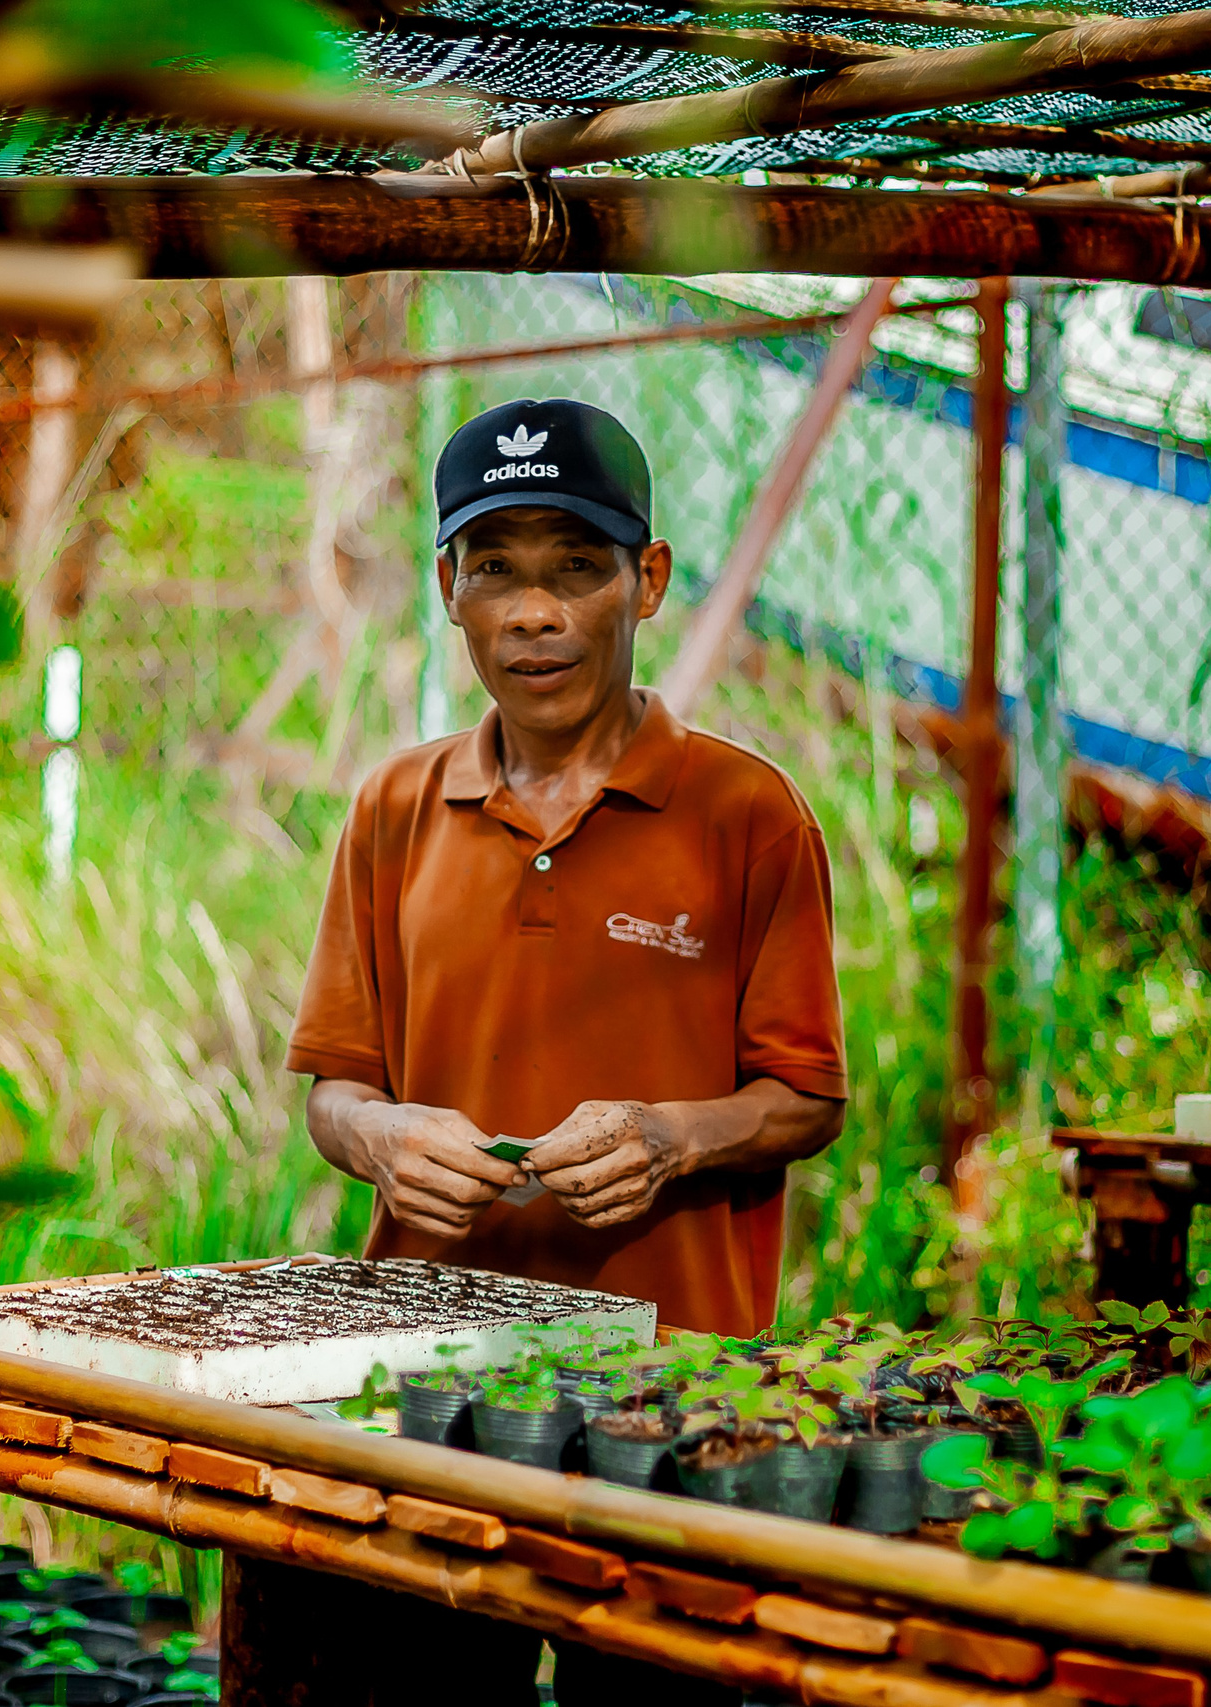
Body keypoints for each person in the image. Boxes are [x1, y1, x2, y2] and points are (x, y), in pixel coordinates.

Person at [254, 398, 848, 1707]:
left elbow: (804, 1098)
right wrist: (383, 1139)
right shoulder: (393, 811)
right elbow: (338, 1091)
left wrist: (669, 1138)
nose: (537, 612)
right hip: (427, 1398)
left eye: (578, 568)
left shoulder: (747, 816)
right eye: (500, 570)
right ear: (449, 587)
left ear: (647, 580)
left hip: (672, 1405)